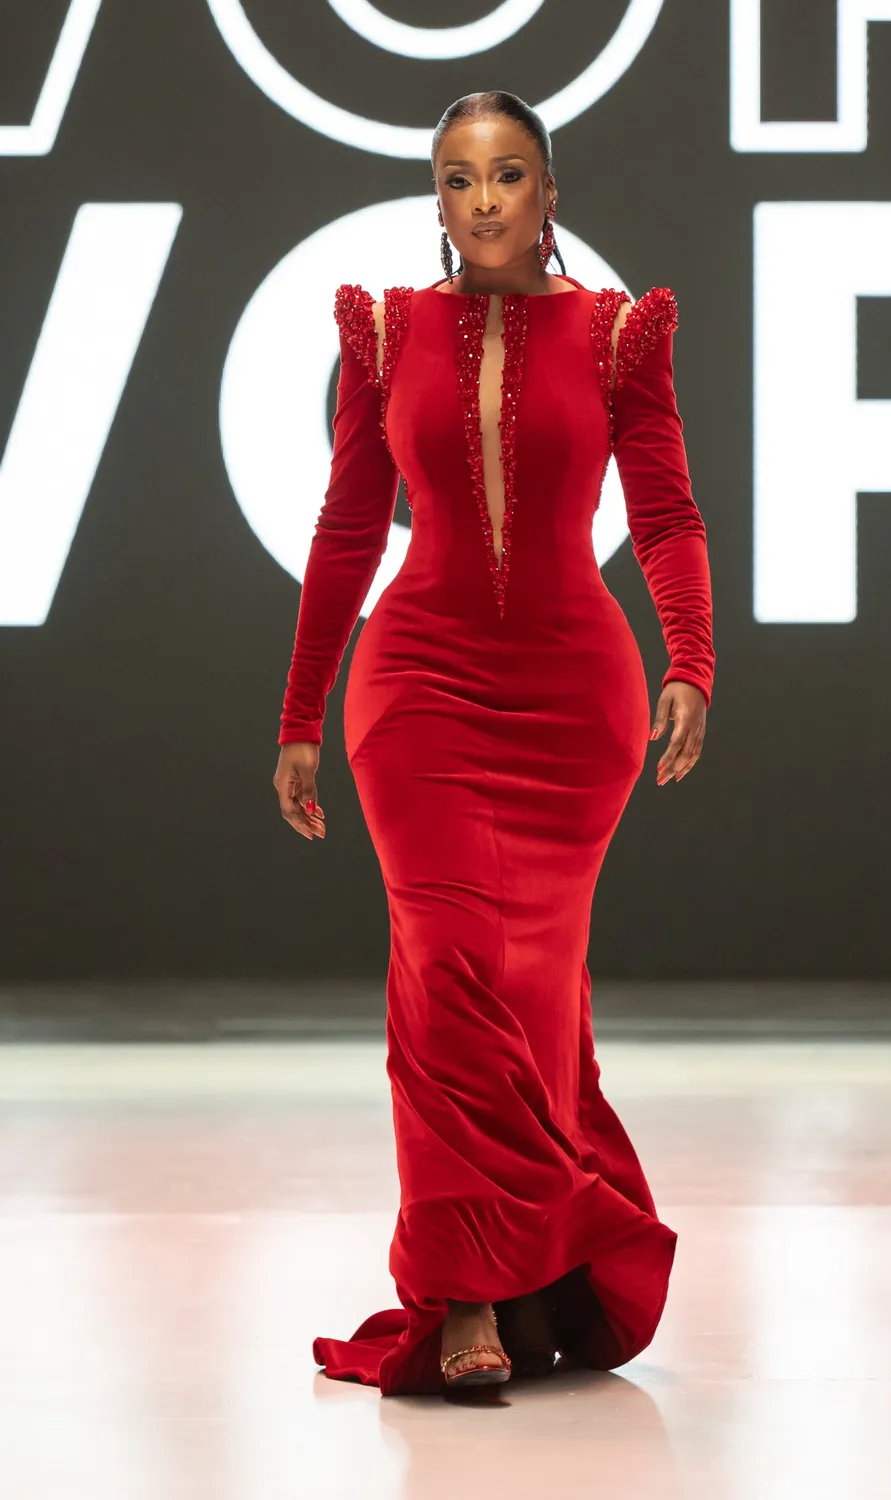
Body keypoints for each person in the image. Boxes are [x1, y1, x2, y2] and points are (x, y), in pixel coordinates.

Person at [273, 90, 715, 1397]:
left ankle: (535, 1275)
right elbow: (348, 528)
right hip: (416, 688)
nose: (483, 202)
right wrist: (300, 716)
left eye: (508, 175)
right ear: (439, 198)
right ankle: (465, 1290)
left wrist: (691, 659)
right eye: (460, 180)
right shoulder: (387, 332)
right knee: (448, 966)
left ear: (548, 192)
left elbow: (668, 515)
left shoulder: (620, 335)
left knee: (533, 994)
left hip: (575, 701)